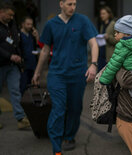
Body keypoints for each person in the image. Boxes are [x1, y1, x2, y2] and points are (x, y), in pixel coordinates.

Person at [31, 0, 98, 154]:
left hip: (77, 74)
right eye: (69, 4)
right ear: (61, 4)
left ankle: (69, 136)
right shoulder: (51, 24)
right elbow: (45, 50)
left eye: (74, 4)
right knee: (59, 108)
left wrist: (93, 64)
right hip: (57, 74)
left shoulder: (82, 21)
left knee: (75, 108)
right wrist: (37, 72)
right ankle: (56, 146)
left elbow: (93, 43)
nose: (72, 7)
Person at [0, 2, 30, 130]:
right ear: (1, 12)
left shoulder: (12, 25)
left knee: (15, 91)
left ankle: (20, 118)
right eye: (9, 15)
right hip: (1, 64)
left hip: (13, 65)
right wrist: (9, 56)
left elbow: (17, 43)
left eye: (13, 15)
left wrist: (20, 58)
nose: (11, 17)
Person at [19, 16, 39, 95]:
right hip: (24, 65)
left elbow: (38, 46)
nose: (30, 26)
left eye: (31, 24)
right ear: (23, 24)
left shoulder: (32, 35)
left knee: (32, 85)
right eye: (28, 24)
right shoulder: (19, 35)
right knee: (22, 85)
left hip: (32, 63)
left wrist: (37, 36)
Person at [97, 6, 117, 71]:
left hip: (109, 55)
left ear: (109, 14)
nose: (101, 16)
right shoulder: (102, 25)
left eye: (103, 13)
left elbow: (117, 40)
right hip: (101, 54)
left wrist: (108, 37)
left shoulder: (113, 24)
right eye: (101, 14)